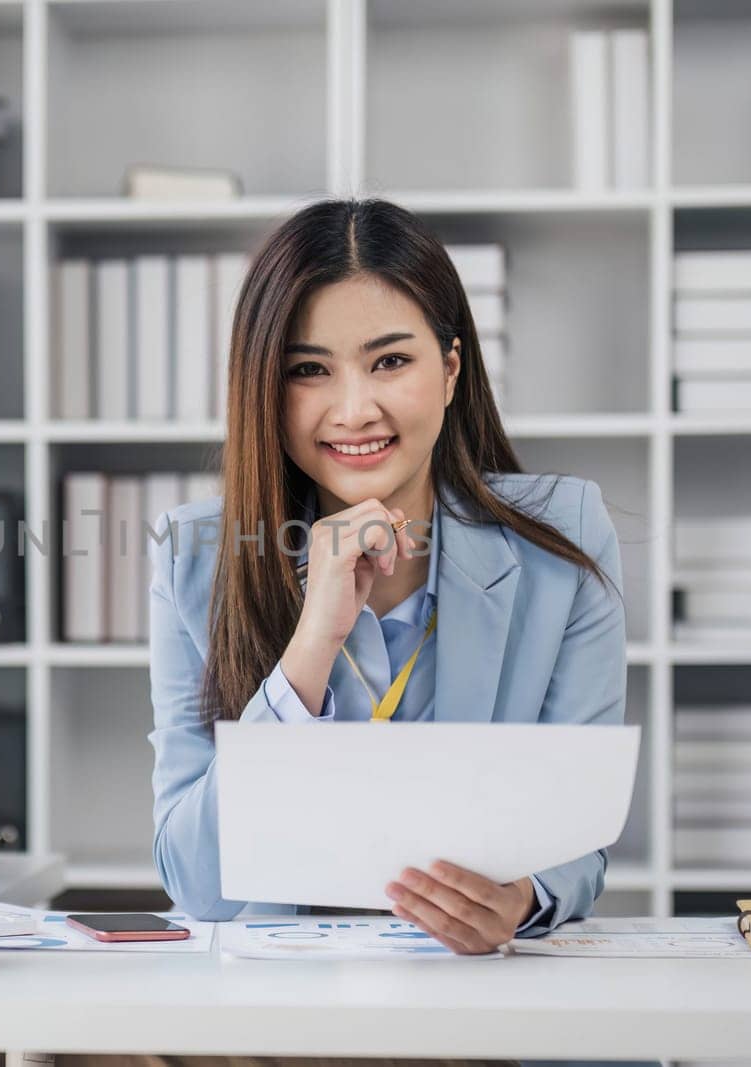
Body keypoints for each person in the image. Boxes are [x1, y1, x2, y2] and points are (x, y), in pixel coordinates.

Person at [147, 197, 627, 955]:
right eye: (309, 370)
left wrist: (521, 898)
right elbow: (195, 881)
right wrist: (311, 645)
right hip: (286, 1011)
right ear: (264, 390)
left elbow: (579, 836)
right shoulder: (194, 556)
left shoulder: (564, 538)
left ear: (449, 369)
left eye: (390, 361)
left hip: (479, 997)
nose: (354, 408)